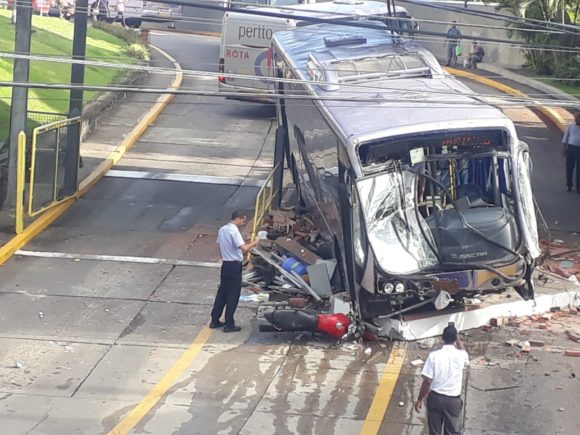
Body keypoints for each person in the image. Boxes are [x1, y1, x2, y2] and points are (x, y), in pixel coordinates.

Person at [415, 324, 469, 435]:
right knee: (452, 432)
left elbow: (427, 381)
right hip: (453, 401)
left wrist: (420, 399)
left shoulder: (434, 356)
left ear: (442, 338)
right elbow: (463, 349)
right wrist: (457, 338)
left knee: (434, 432)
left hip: (435, 399)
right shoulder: (461, 355)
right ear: (455, 339)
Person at [210, 210, 259, 332]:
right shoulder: (234, 231)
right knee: (233, 295)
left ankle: (214, 320)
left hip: (226, 264)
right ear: (238, 218)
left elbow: (219, 245)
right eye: (243, 220)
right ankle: (229, 324)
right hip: (234, 266)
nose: (243, 223)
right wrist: (255, 242)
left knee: (222, 293)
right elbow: (244, 248)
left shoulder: (222, 229)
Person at [563, 111, 580, 193]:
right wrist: (564, 149)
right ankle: (569, 185)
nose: (577, 120)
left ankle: (578, 187)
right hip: (571, 148)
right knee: (569, 168)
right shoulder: (570, 126)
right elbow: (566, 138)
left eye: (579, 118)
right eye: (576, 118)